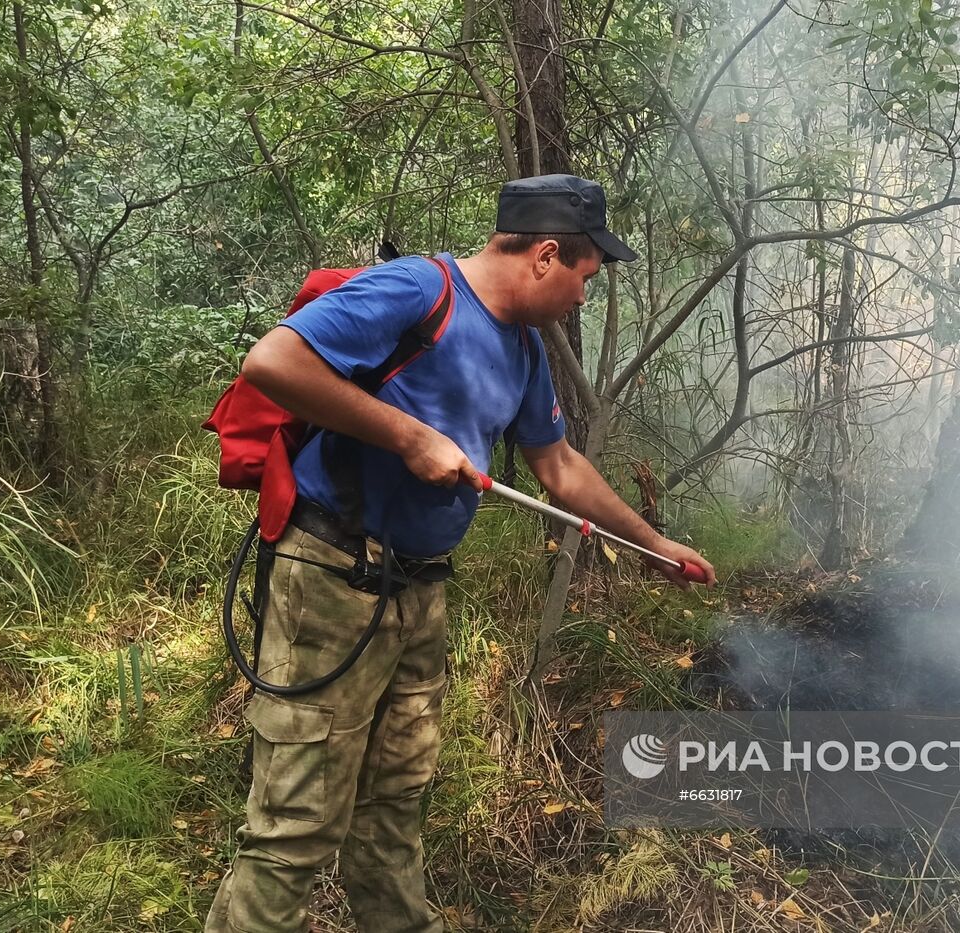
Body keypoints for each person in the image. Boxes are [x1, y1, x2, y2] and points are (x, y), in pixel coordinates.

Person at [204, 174, 716, 933]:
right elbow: (272, 362)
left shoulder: (523, 352)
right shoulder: (419, 290)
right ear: (546, 254)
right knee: (296, 825)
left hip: (419, 593)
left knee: (394, 806)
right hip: (333, 578)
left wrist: (651, 542)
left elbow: (561, 467)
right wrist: (408, 436)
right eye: (585, 277)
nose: (584, 297)